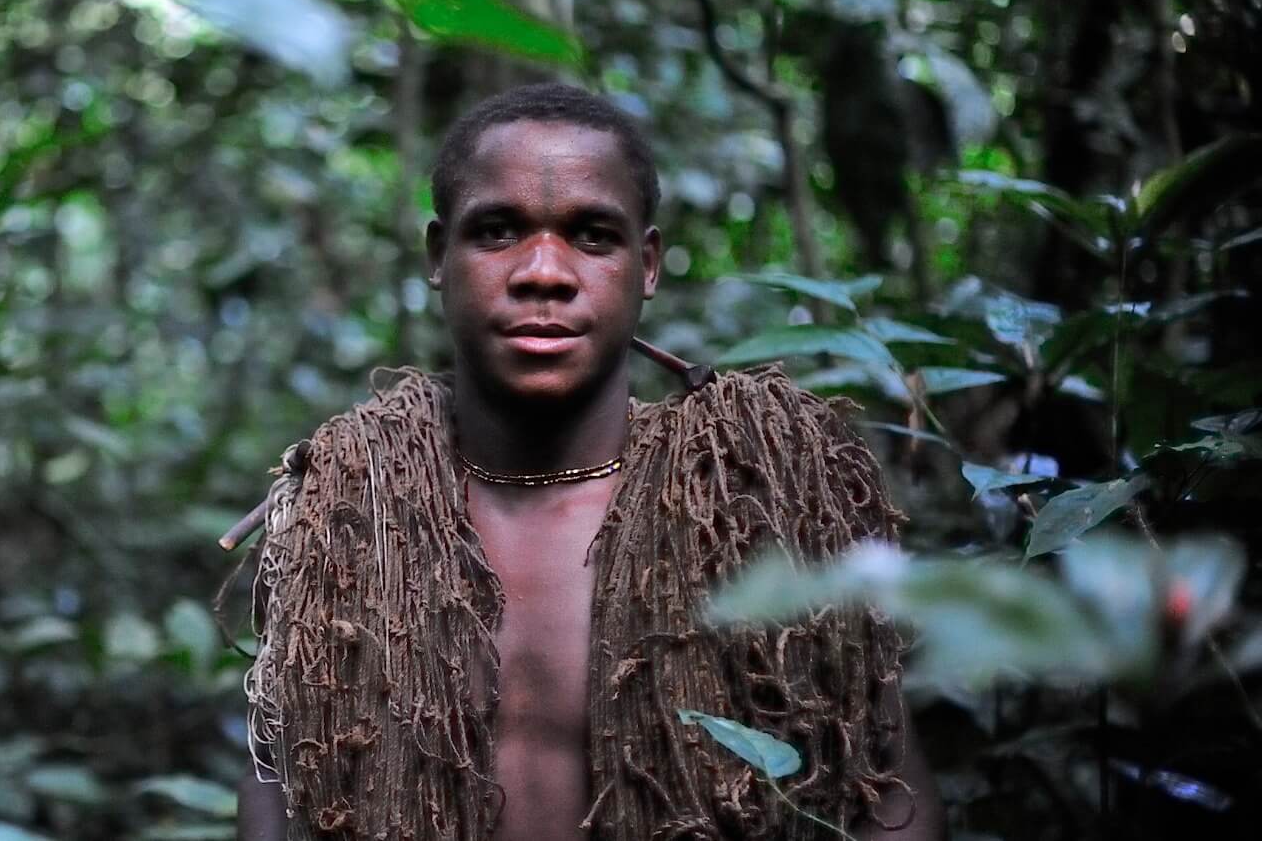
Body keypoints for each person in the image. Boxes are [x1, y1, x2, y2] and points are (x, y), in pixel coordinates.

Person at [229, 83, 940, 841]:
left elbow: (887, 791)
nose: (544, 271)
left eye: (592, 235)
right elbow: (275, 786)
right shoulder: (346, 505)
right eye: (498, 231)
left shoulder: (755, 496)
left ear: (650, 263)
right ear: (440, 255)